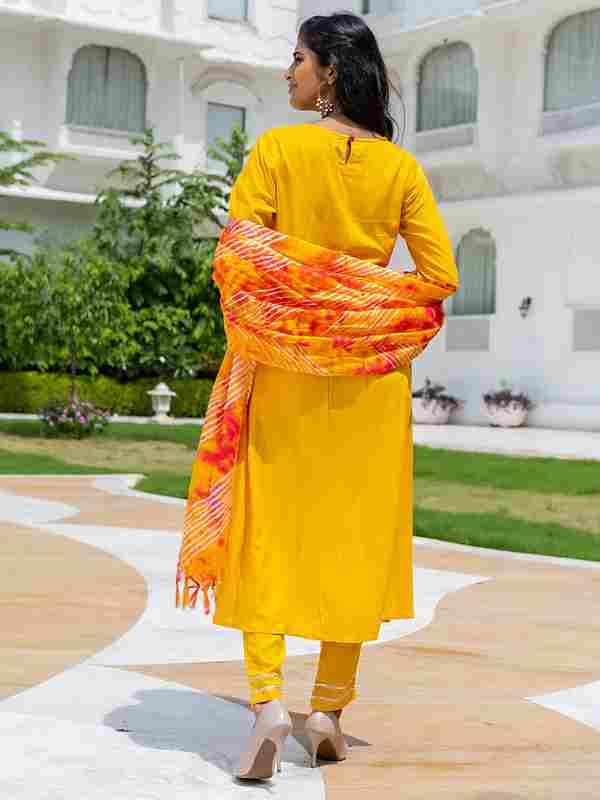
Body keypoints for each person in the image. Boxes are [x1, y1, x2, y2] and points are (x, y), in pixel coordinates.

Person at [178, 11, 459, 781]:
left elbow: (239, 254)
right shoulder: (399, 169)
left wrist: (303, 300)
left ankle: (270, 704)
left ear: (329, 70)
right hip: (370, 385)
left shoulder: (277, 150)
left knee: (266, 532)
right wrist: (361, 305)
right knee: (352, 540)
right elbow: (438, 277)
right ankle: (329, 711)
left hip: (285, 372)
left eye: (297, 58)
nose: (288, 72)